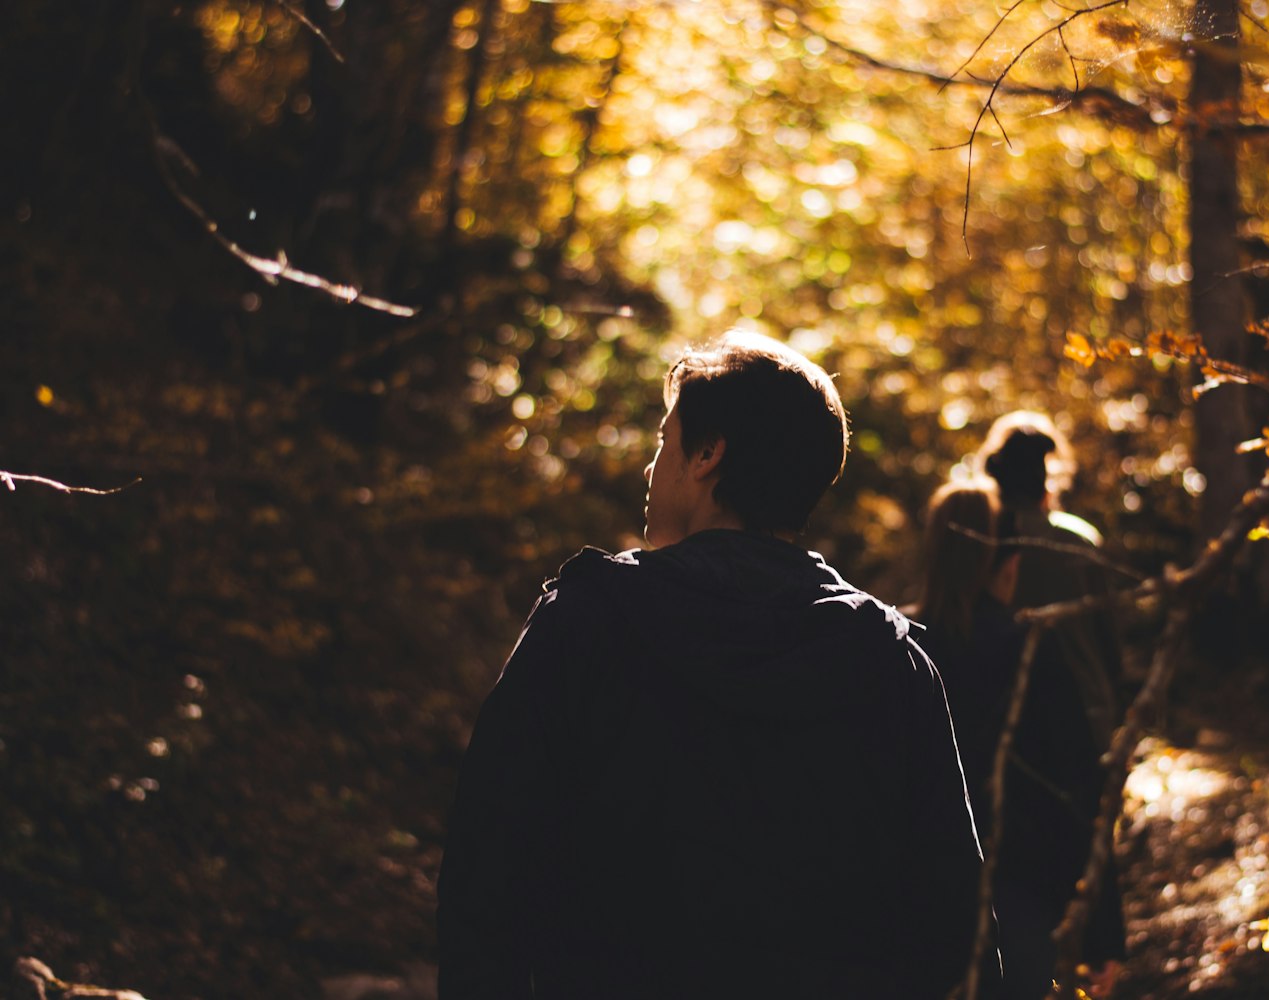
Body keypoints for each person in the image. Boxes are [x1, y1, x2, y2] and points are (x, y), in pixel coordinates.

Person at [438, 331, 997, 1000]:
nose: (652, 468)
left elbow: (487, 866)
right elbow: (956, 919)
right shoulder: (892, 662)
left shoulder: (588, 622)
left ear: (708, 455)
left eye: (663, 442)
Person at [913, 477, 1126, 1000]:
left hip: (915, 900)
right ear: (1003, 564)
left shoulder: (897, 644)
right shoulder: (1031, 651)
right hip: (1020, 896)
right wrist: (1103, 933)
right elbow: (1079, 790)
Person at [976, 412, 1122, 753]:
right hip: (1084, 720)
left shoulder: (980, 538)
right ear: (1048, 476)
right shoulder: (1080, 541)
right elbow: (1109, 642)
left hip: (997, 725)